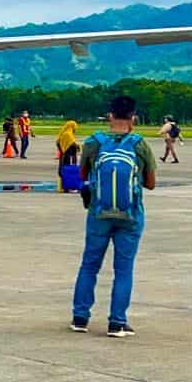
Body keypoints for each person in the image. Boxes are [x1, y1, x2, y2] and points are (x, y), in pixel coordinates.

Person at [71, 95, 157, 338]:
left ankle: (80, 317)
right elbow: (150, 183)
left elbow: (83, 174)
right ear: (134, 118)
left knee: (89, 265)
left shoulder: (93, 142)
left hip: (99, 212)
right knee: (123, 269)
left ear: (109, 116)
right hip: (130, 215)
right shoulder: (139, 145)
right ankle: (117, 322)